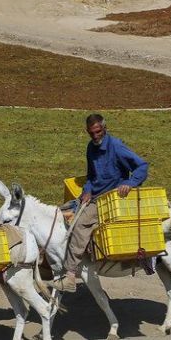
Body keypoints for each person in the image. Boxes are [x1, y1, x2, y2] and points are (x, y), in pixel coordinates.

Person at [48, 113, 149, 291]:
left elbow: (142, 166)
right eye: (91, 133)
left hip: (110, 199)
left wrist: (130, 183)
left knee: (80, 224)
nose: (95, 136)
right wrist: (87, 190)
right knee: (60, 212)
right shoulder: (90, 147)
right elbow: (91, 176)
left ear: (105, 129)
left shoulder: (116, 146)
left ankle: (70, 275)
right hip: (93, 195)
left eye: (98, 132)